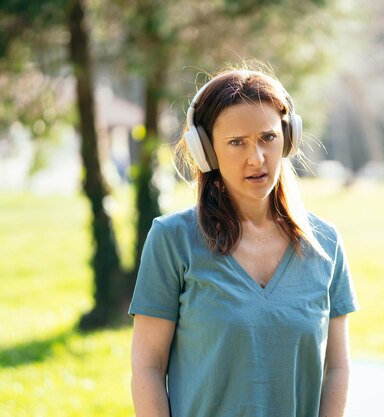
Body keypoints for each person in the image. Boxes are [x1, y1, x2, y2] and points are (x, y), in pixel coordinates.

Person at [129, 68, 359, 417]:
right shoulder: (172, 240)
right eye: (237, 142)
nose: (257, 158)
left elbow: (338, 367)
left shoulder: (325, 243)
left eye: (268, 137)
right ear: (206, 151)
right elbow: (147, 367)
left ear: (288, 138)